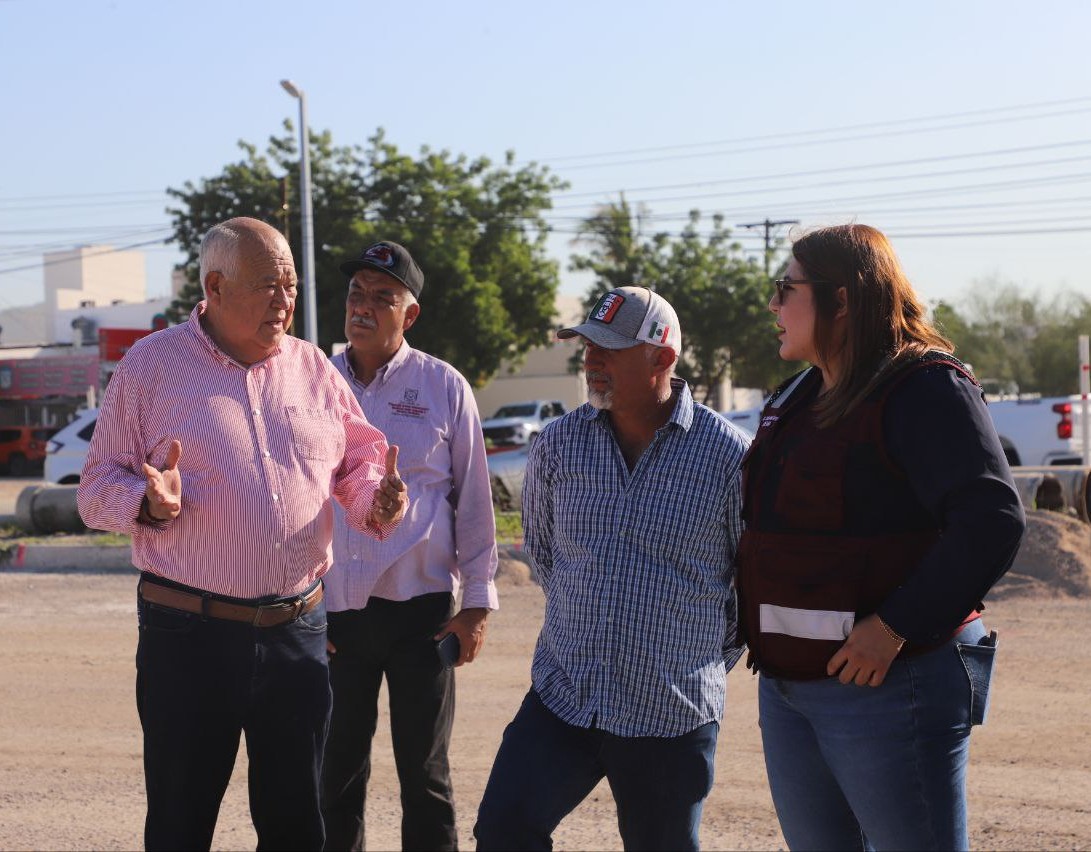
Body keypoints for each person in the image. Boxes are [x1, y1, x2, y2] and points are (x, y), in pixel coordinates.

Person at [76, 217, 409, 852]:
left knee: (296, 826)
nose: (285, 301)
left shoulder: (312, 368)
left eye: (291, 285)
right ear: (216, 286)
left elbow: (359, 460)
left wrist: (379, 497)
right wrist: (147, 504)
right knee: (181, 822)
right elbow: (94, 492)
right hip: (189, 637)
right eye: (268, 286)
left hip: (297, 635)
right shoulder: (149, 368)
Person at [737, 224, 1026, 851]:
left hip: (893, 684)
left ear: (842, 299)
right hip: (792, 689)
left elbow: (992, 519)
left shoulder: (923, 386)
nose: (773, 305)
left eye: (786, 289)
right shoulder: (804, 393)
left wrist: (896, 624)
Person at [474, 286, 750, 852]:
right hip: (565, 696)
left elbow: (747, 587)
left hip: (669, 714)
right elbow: (549, 559)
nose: (591, 361)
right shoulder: (557, 446)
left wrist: (682, 661)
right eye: (586, 347)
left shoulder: (730, 459)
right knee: (503, 831)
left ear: (663, 358)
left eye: (609, 348)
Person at [320, 240, 499, 851]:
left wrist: (475, 606)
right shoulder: (315, 382)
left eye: (382, 298)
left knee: (425, 776)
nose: (363, 308)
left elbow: (474, 502)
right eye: (356, 295)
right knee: (335, 774)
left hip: (422, 616)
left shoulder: (443, 386)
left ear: (410, 314)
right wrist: (299, 606)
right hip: (336, 615)